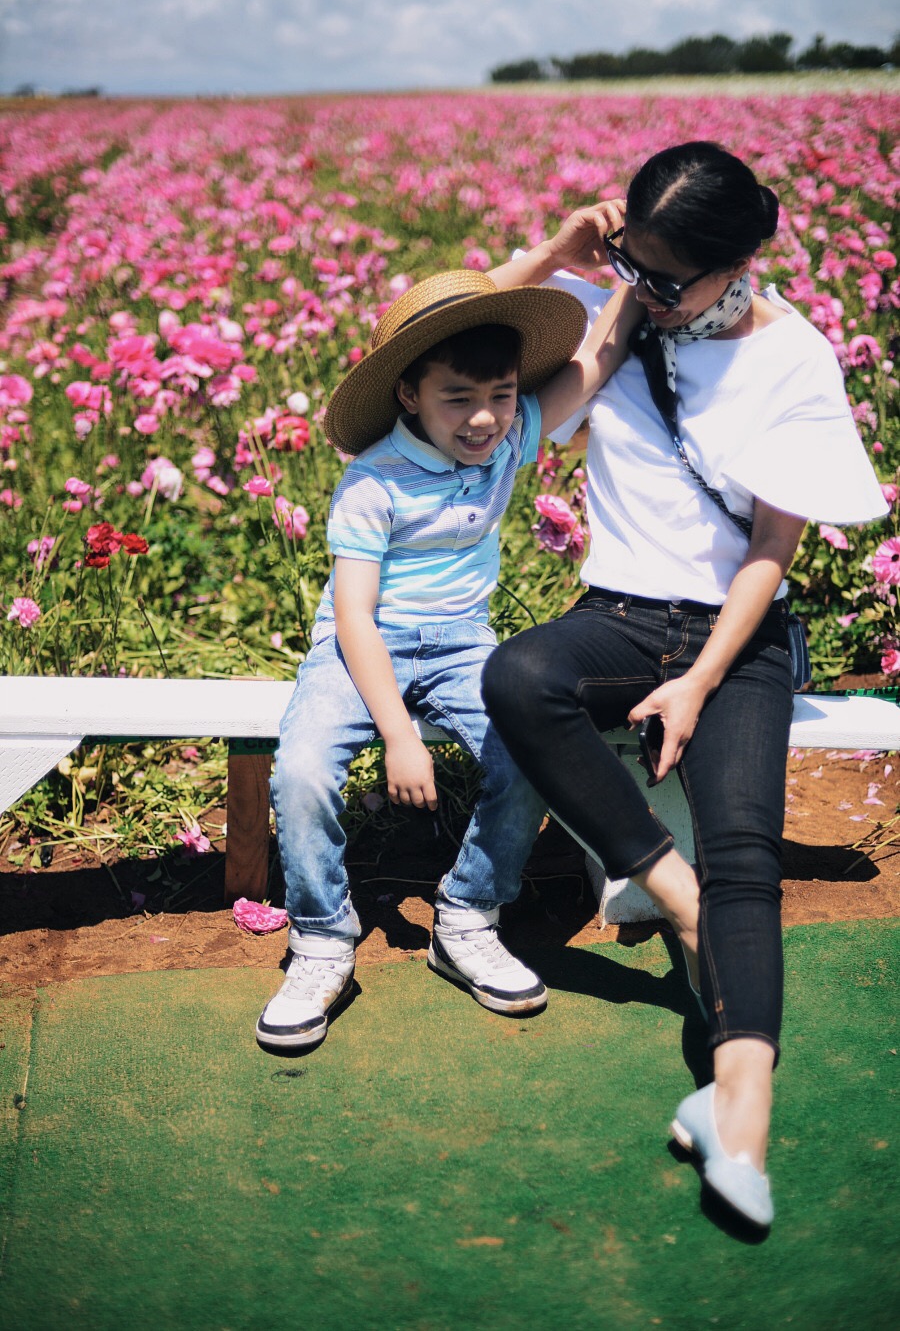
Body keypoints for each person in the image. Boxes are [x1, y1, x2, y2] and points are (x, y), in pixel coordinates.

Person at [482, 141, 887, 1228]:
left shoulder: (795, 357)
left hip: (737, 634)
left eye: (670, 279)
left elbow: (772, 549)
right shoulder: (621, 316)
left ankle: (739, 1116)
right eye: (636, 266)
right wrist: (555, 260)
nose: (649, 292)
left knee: (748, 846)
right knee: (519, 674)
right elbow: (483, 397)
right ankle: (675, 897)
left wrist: (703, 679)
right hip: (617, 615)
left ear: (738, 261)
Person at [256, 267, 641, 1053]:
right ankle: (323, 939)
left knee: (534, 750)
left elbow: (591, 365)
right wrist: (398, 733)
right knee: (300, 770)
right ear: (409, 395)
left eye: (500, 395)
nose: (484, 420)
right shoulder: (373, 483)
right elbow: (355, 618)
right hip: (363, 647)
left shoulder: (509, 434)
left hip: (464, 643)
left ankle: (467, 915)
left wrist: (638, 277)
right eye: (457, 398)